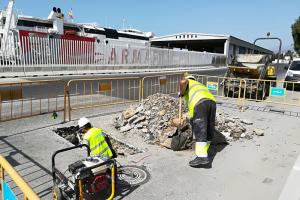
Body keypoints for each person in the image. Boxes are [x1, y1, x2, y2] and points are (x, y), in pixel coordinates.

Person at [179, 74, 216, 167]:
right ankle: (205, 151)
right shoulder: (199, 85)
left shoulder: (188, 82)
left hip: (200, 103)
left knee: (200, 129)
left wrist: (181, 92)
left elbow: (182, 82)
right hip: (212, 102)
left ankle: (202, 157)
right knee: (208, 128)